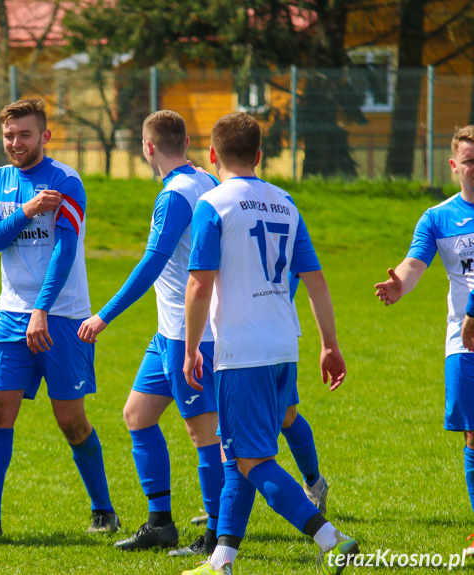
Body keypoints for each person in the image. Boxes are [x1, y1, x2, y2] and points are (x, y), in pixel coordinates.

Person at [181, 112, 358, 575]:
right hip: (284, 343)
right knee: (235, 453)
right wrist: (329, 344)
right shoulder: (285, 202)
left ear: (213, 155)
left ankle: (329, 537)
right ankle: (222, 558)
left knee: (253, 459)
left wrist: (191, 347)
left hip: (241, 350)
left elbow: (200, 284)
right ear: (260, 156)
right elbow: (314, 279)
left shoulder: (213, 204)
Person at [0, 98, 118, 537]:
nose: (16, 143)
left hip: (61, 315)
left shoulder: (66, 180)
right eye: (9, 135)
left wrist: (41, 308)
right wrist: (26, 211)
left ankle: (104, 510)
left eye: (25, 134)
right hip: (10, 315)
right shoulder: (2, 180)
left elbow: (65, 250)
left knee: (71, 421)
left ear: (45, 136)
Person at [78, 110, 221, 553]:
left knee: (204, 434)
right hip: (168, 333)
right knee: (137, 416)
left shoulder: (175, 195)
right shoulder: (207, 182)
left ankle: (216, 535)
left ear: (147, 147)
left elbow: (152, 263)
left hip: (189, 335)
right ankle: (160, 523)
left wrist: (104, 315)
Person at [376, 124, 474, 557]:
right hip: (464, 343)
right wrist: (400, 283)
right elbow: (416, 262)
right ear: (454, 166)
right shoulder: (437, 217)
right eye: (469, 160)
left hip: (470, 325)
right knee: (473, 436)